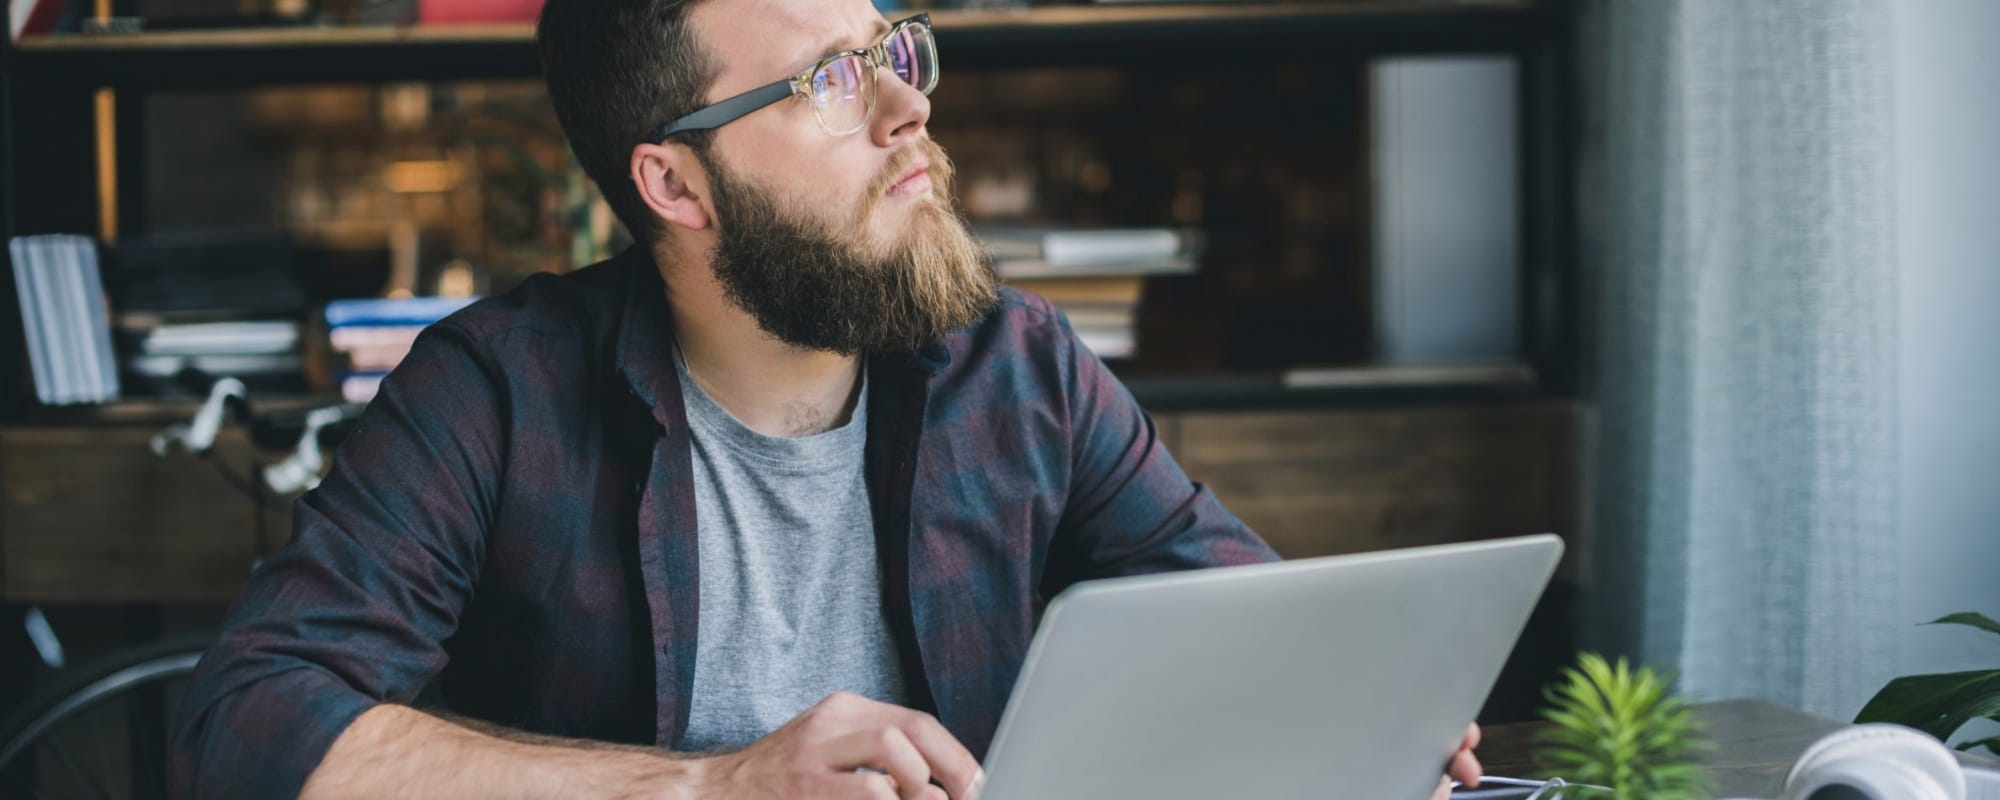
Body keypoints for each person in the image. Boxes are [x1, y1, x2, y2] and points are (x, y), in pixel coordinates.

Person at [167, 0, 1484, 797]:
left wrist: (1361, 720)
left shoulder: (1017, 369)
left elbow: (1249, 629)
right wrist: (713, 789)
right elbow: (251, 728)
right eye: (830, 82)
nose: (908, 107)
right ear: (675, 189)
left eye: (890, 49)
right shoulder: (495, 394)